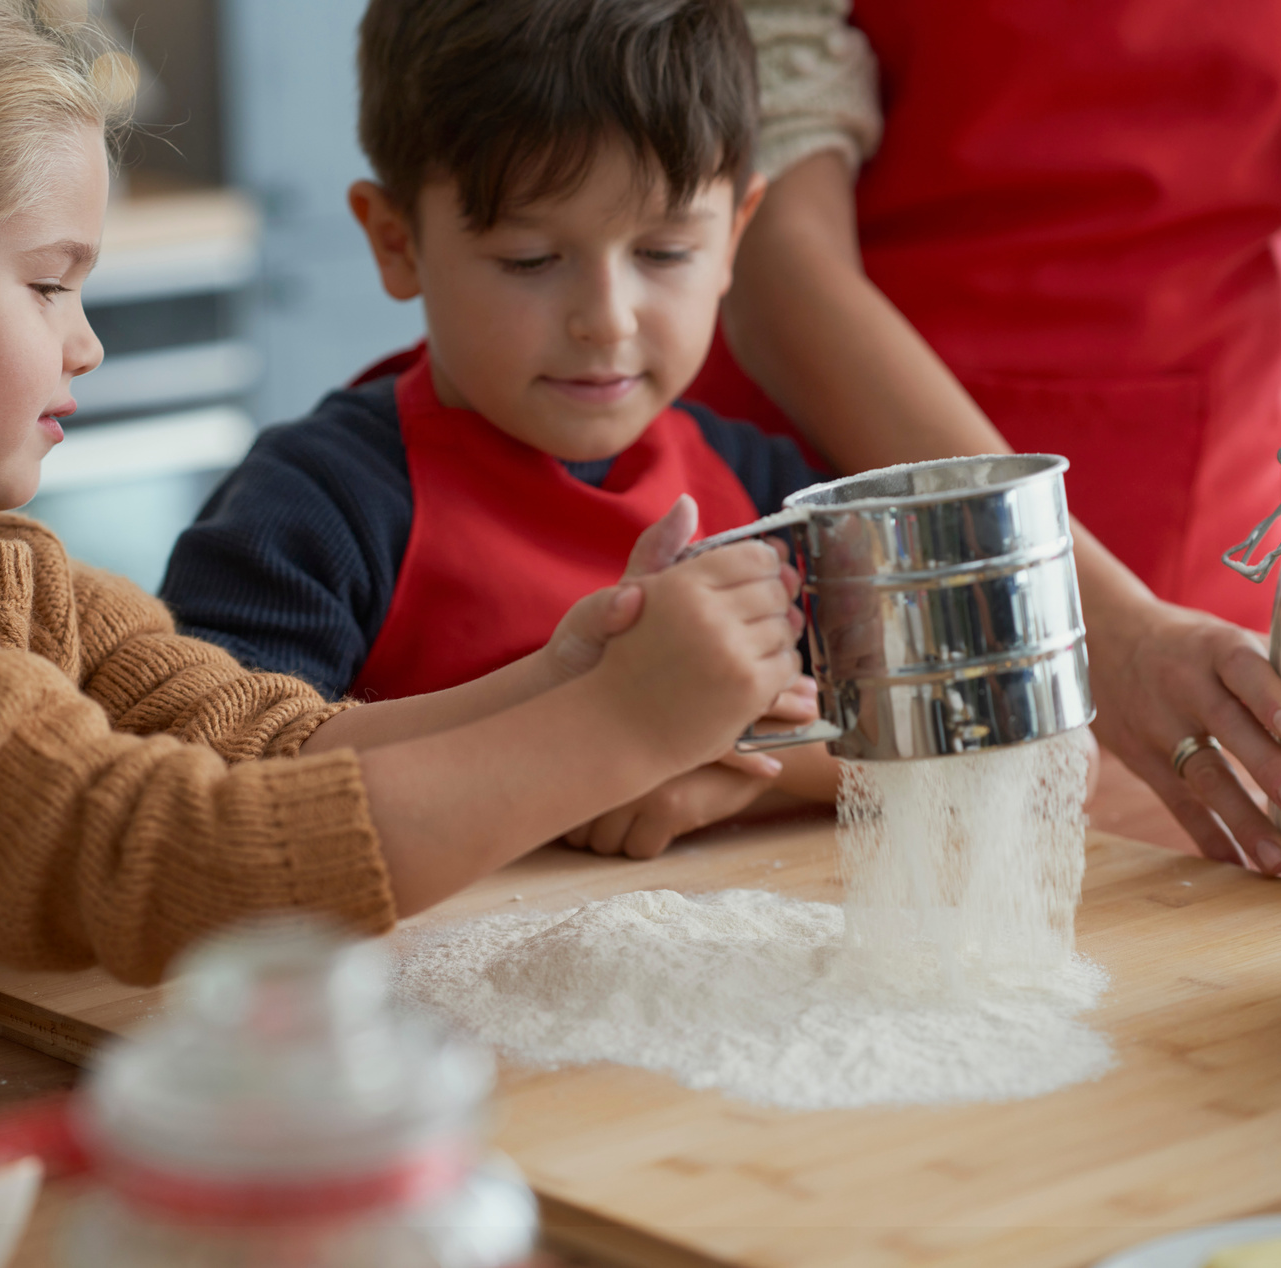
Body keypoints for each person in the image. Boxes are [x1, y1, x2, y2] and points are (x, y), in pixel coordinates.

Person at [0, 0, 801, 1052]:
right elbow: (163, 854)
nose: (86, 341)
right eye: (49, 281)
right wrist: (617, 725)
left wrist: (560, 674)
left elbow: (261, 738)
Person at [679, 0, 1281, 877]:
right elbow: (778, 260)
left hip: (1204, 618)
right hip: (855, 572)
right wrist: (1107, 628)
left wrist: (1138, 637)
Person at [162, 0, 841, 861]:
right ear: (396, 241)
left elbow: (929, 748)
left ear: (735, 230)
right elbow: (200, 799)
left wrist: (707, 774)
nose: (606, 319)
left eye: (664, 252)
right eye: (529, 260)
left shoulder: (766, 490)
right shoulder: (314, 509)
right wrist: (612, 747)